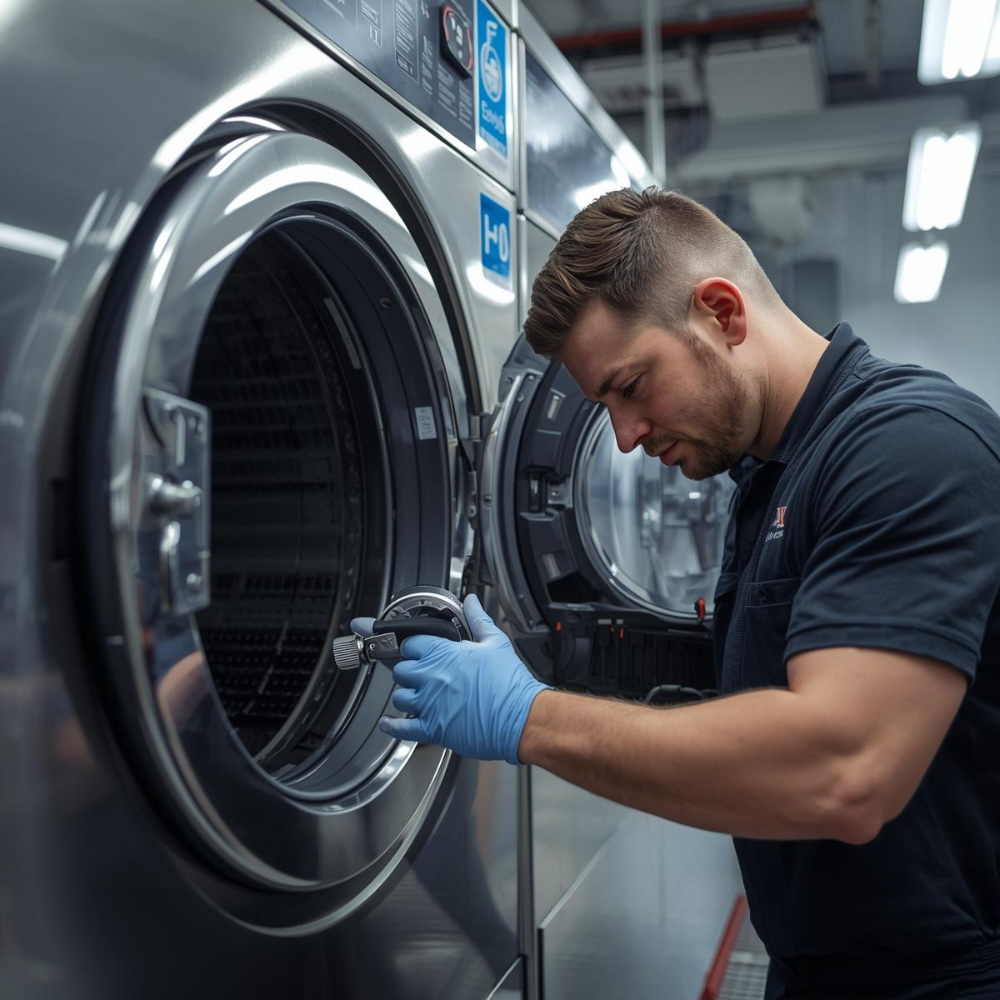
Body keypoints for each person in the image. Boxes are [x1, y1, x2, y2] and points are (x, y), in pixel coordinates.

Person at [358, 188, 1000, 998]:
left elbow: (847, 766)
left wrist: (530, 717)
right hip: (821, 969)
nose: (623, 438)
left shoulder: (911, 449)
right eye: (603, 408)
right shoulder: (771, 479)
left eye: (631, 386)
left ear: (721, 313)